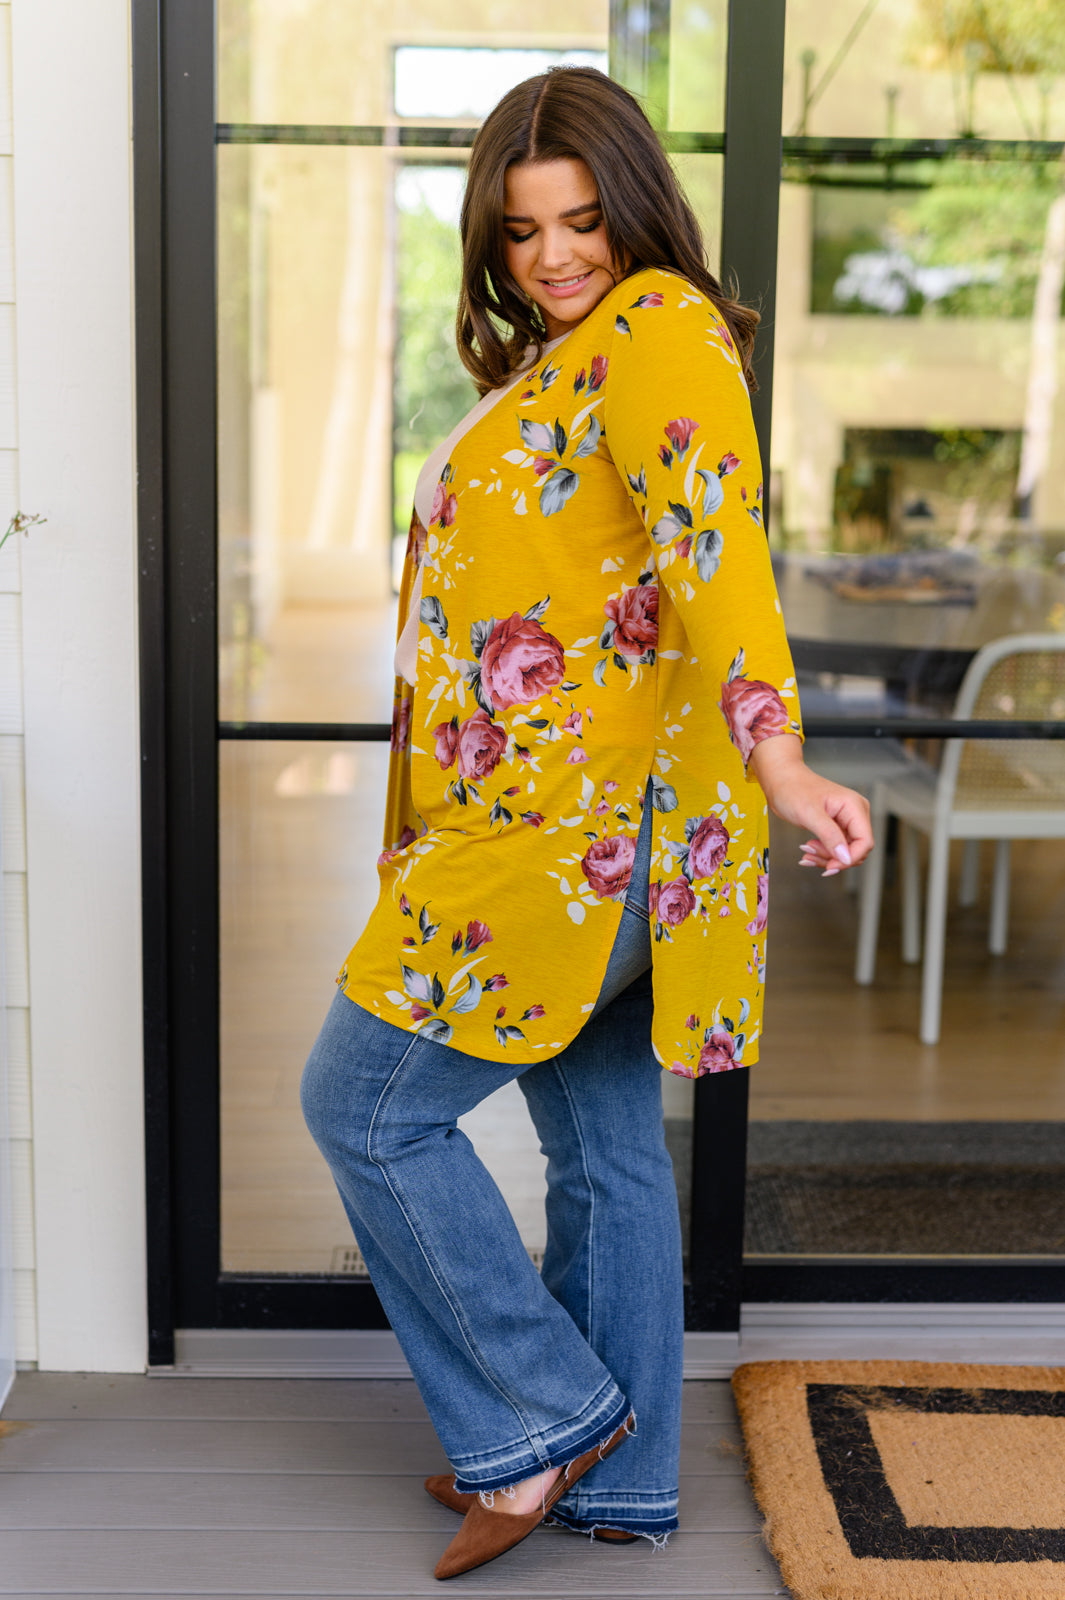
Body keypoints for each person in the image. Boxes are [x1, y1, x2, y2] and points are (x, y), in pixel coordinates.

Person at [301, 65, 873, 1581]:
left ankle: (544, 1419)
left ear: (634, 210)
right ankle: (622, 1487)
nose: (552, 254)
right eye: (520, 229)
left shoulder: (661, 327)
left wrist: (782, 757)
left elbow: (715, 547)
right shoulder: (568, 353)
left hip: (567, 840)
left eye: (580, 220)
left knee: (364, 1106)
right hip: (556, 823)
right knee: (603, 1146)